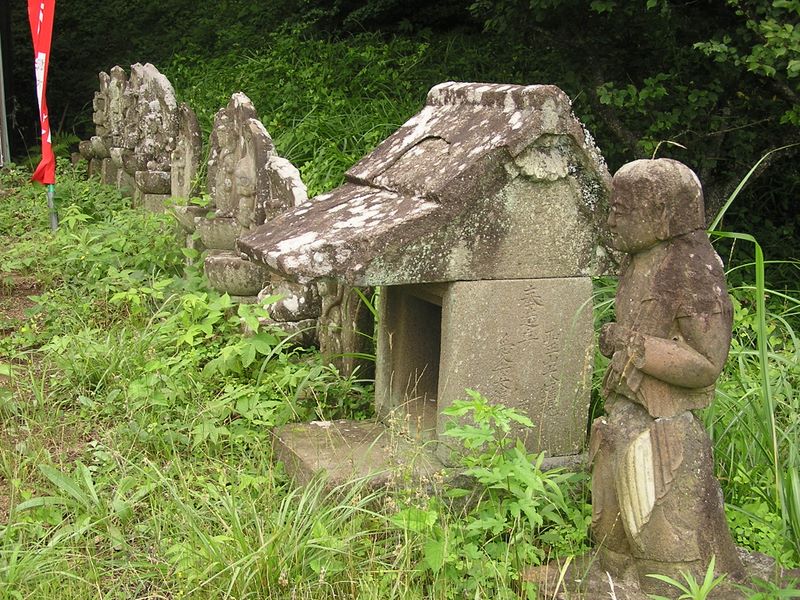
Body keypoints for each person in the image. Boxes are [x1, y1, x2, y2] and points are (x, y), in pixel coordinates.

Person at [590, 158, 744, 589]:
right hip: (624, 411)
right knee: (611, 537)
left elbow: (706, 364)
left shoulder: (692, 272)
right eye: (612, 208)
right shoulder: (637, 260)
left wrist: (636, 347)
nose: (611, 220)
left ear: (661, 217)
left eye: (623, 211)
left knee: (664, 552)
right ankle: (615, 573)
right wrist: (619, 341)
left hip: (665, 429)